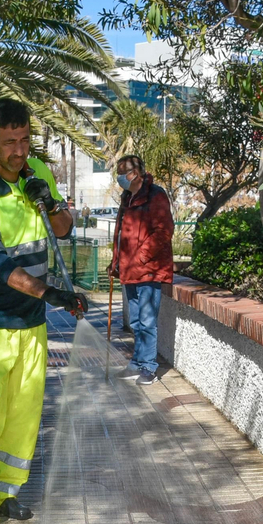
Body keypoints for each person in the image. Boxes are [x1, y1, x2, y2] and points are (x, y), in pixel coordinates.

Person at [0, 98, 87, 524]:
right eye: (9, 142)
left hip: (31, 325)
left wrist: (50, 202)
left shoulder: (38, 173)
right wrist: (52, 294)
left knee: (23, 416)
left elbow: (64, 228)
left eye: (25, 140)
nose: (19, 151)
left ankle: (4, 495)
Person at [110, 154, 174, 385]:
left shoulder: (155, 195)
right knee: (136, 321)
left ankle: (149, 367)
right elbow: (121, 234)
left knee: (147, 322)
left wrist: (142, 257)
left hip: (148, 270)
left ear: (135, 173)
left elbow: (164, 230)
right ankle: (137, 362)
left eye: (122, 172)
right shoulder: (127, 198)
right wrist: (116, 262)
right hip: (130, 269)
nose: (119, 177)